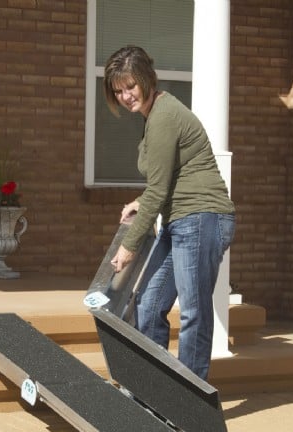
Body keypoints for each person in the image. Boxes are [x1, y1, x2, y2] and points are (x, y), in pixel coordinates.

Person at [103, 45, 236, 381]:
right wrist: (142, 198)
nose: (125, 95)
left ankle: (189, 405)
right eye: (118, 90)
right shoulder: (154, 116)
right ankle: (156, 390)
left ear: (147, 80)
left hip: (202, 217)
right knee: (148, 305)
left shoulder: (163, 116)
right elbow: (168, 177)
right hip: (179, 219)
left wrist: (128, 247)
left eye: (130, 86)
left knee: (193, 313)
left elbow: (162, 188)